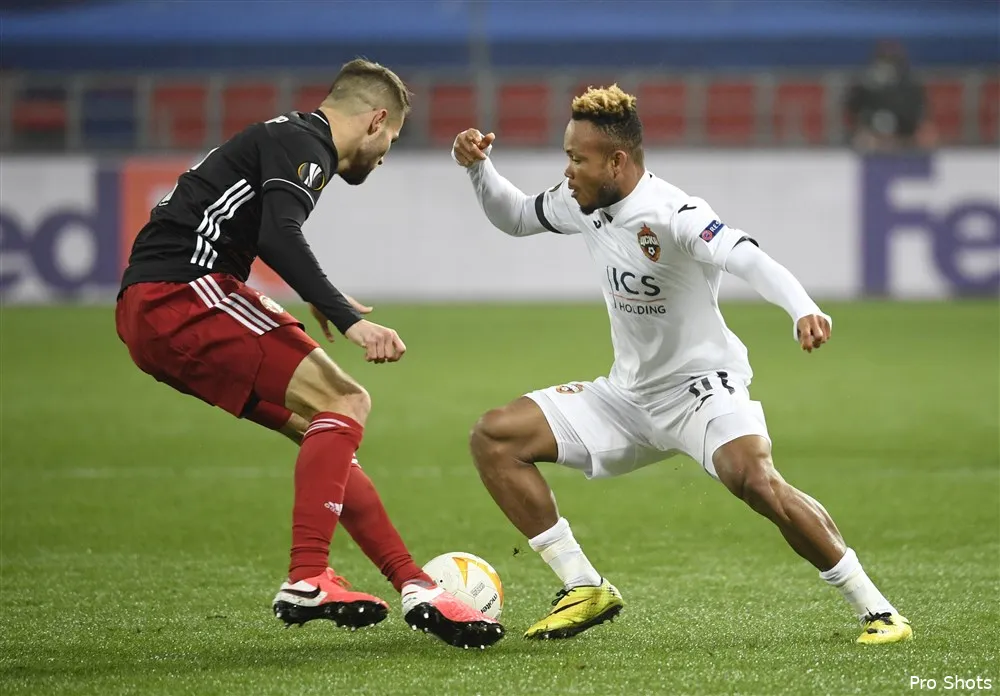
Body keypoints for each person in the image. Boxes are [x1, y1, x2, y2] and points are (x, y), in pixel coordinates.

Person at [451, 84, 912, 645]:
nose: (567, 170)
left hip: (701, 390)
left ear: (616, 161)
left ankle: (878, 610)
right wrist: (480, 169)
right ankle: (583, 584)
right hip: (626, 397)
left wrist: (803, 308)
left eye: (577, 158)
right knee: (495, 437)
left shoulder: (675, 214)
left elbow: (749, 258)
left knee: (758, 484)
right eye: (567, 157)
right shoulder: (582, 201)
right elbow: (517, 216)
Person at [115, 58, 504, 649]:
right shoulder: (307, 144)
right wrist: (349, 321)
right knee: (347, 399)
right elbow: (279, 233)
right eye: (392, 140)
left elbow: (266, 227)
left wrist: (322, 296)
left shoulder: (286, 135)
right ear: (376, 121)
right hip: (185, 294)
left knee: (322, 429)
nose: (385, 154)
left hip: (154, 308)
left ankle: (414, 583)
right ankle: (306, 577)